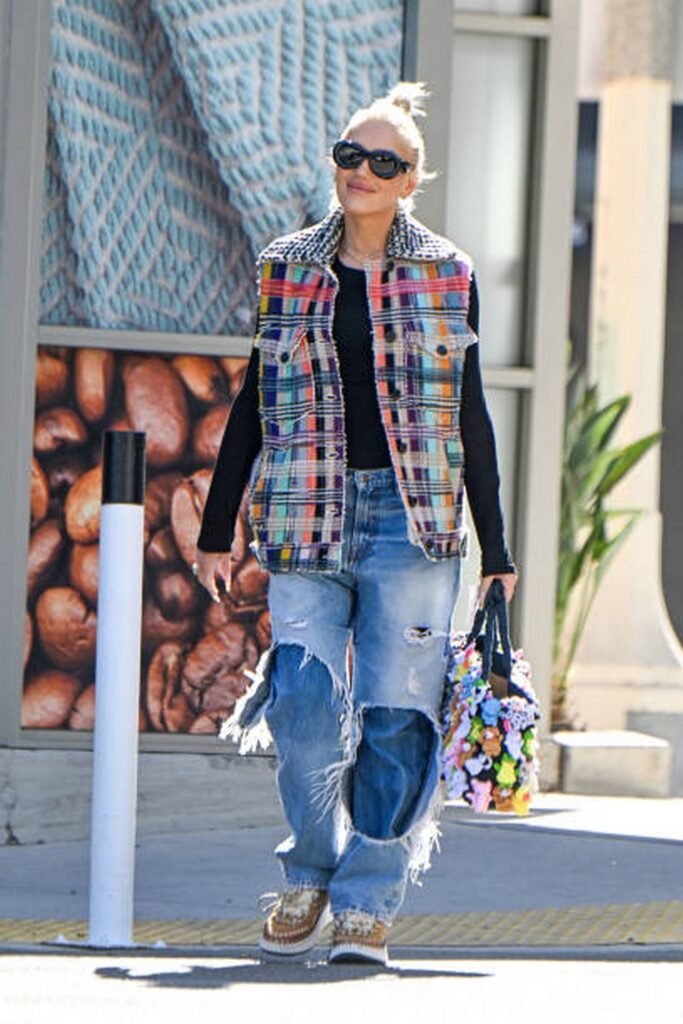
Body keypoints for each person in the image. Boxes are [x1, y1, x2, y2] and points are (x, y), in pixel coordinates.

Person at [194, 81, 517, 966]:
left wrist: (497, 547)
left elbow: (471, 415)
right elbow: (254, 405)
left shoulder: (446, 273)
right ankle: (308, 870)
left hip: (412, 524)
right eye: (349, 155)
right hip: (305, 517)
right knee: (302, 697)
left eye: (384, 162)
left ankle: (369, 898)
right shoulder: (285, 265)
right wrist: (218, 525)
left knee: (395, 715)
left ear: (412, 179)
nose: (361, 173)